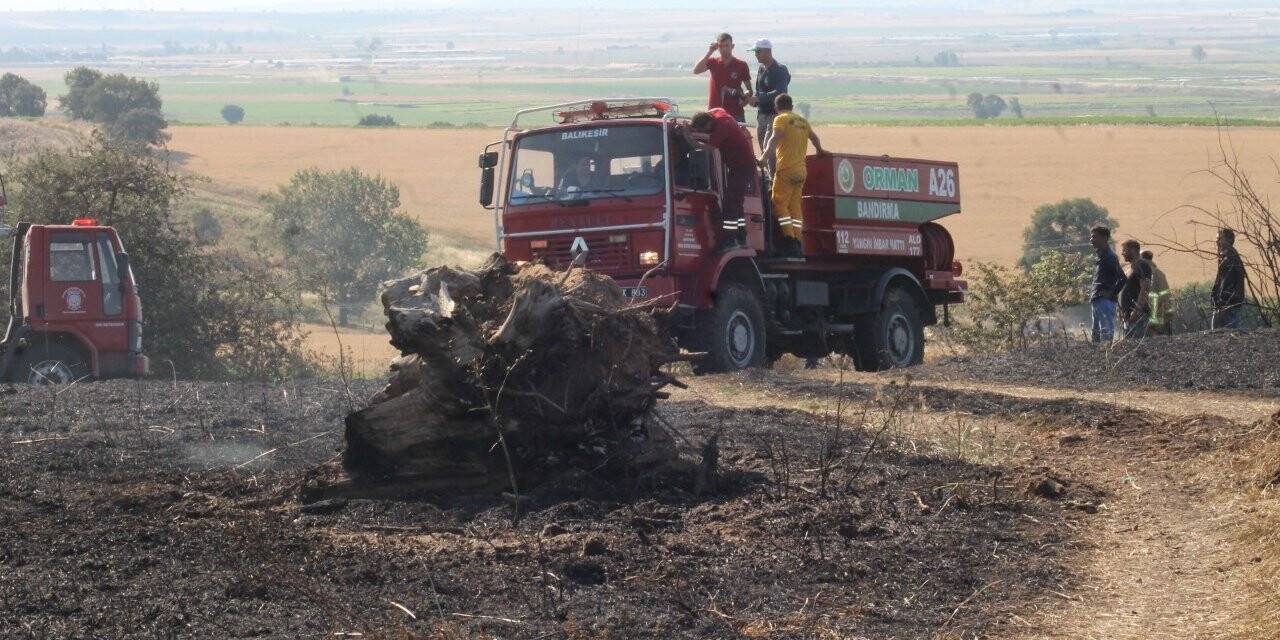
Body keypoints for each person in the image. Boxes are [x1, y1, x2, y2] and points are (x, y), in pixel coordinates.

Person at [760, 93, 826, 257]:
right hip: (801, 172)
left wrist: (763, 158)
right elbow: (815, 138)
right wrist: (820, 150)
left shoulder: (780, 119)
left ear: (776, 107)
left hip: (786, 169)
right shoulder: (803, 121)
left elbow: (774, 139)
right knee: (795, 207)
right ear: (791, 106)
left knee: (779, 204)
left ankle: (789, 239)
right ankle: (797, 239)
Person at [690, 108, 757, 250]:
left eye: (706, 130)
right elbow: (716, 110)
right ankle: (741, 236)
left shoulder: (722, 127)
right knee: (736, 203)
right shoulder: (718, 114)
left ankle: (731, 239)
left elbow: (706, 148)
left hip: (741, 167)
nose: (707, 132)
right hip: (739, 167)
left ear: (708, 124)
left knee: (730, 203)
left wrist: (686, 135)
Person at [747, 38, 790, 165]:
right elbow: (758, 90)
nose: (756, 55)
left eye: (758, 51)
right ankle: (768, 179)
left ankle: (774, 180)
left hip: (774, 115)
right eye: (755, 52)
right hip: (761, 115)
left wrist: (759, 98)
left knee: (769, 148)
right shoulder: (761, 69)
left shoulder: (780, 69)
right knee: (763, 148)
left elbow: (780, 91)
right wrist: (753, 100)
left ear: (767, 51)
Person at [692, 33, 751, 123]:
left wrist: (746, 98)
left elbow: (749, 89)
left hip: (735, 113)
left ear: (732, 46)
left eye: (727, 45)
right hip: (715, 112)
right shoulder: (713, 62)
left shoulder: (741, 65)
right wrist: (710, 52)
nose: (724, 49)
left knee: (737, 137)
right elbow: (696, 70)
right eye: (721, 46)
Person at [1089, 226, 1126, 343]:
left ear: (1104, 238)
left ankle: (1107, 358)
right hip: (1098, 299)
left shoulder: (1110, 257)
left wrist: (1111, 293)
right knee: (1096, 336)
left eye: (1094, 237)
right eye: (1091, 236)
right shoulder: (1103, 257)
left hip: (1104, 301)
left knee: (1105, 334)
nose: (1091, 239)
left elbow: (1122, 278)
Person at [1211, 227, 1247, 329]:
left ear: (1229, 240)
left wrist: (1222, 305)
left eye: (1219, 239)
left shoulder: (1229, 258)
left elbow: (1226, 284)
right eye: (1217, 239)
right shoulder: (1230, 256)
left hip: (1228, 307)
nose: (1216, 242)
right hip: (1229, 305)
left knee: (1222, 339)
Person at [1118, 239, 1153, 340]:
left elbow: (1145, 288)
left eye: (1124, 250)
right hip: (1127, 317)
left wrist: (1137, 310)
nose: (1122, 253)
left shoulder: (1142, 266)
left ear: (1133, 250)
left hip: (1138, 316)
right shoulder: (1128, 268)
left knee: (1138, 348)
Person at [1140, 249, 1173, 335]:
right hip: (1156, 319)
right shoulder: (1160, 274)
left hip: (1147, 319)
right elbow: (1166, 297)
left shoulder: (1141, 273)